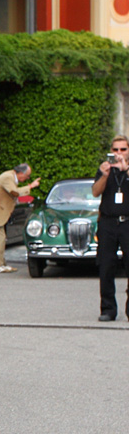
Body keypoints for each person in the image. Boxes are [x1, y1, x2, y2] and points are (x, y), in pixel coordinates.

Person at [92, 135, 129, 321]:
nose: (119, 153)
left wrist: (126, 169)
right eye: (116, 150)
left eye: (123, 149)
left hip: (127, 222)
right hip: (107, 222)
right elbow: (95, 191)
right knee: (106, 265)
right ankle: (108, 309)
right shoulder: (106, 168)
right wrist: (105, 175)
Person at [0, 163, 40, 273]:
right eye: (27, 176)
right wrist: (30, 186)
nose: (27, 178)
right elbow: (15, 192)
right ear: (21, 173)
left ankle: (1, 264)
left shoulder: (9, 176)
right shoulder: (8, 177)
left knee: (0, 238)